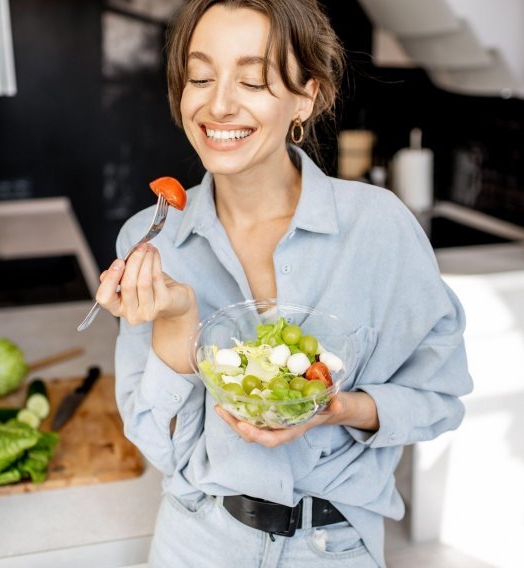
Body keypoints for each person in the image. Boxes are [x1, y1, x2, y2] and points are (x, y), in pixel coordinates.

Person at [93, 1, 473, 566]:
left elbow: (440, 398)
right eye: (200, 77)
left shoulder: (378, 227)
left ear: (306, 97)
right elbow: (159, 446)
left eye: (253, 80)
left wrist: (341, 408)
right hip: (197, 542)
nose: (218, 103)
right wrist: (177, 324)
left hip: (334, 547)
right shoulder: (153, 239)